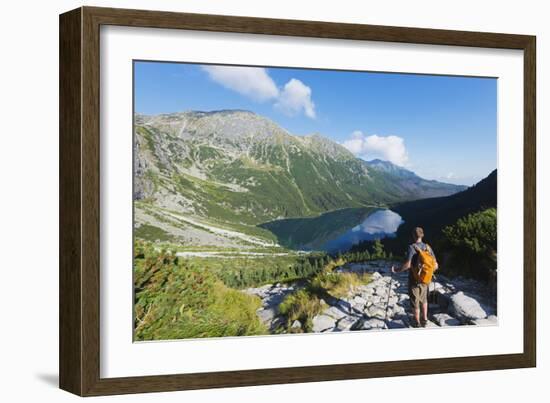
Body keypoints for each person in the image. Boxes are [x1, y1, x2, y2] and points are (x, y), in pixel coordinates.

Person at [391, 227, 438, 328]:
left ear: (413, 235)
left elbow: (408, 265)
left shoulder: (412, 247)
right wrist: (427, 272)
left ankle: (416, 322)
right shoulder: (428, 247)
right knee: (424, 299)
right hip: (426, 280)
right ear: (422, 235)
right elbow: (436, 265)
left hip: (414, 279)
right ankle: (424, 319)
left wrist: (396, 270)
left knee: (414, 301)